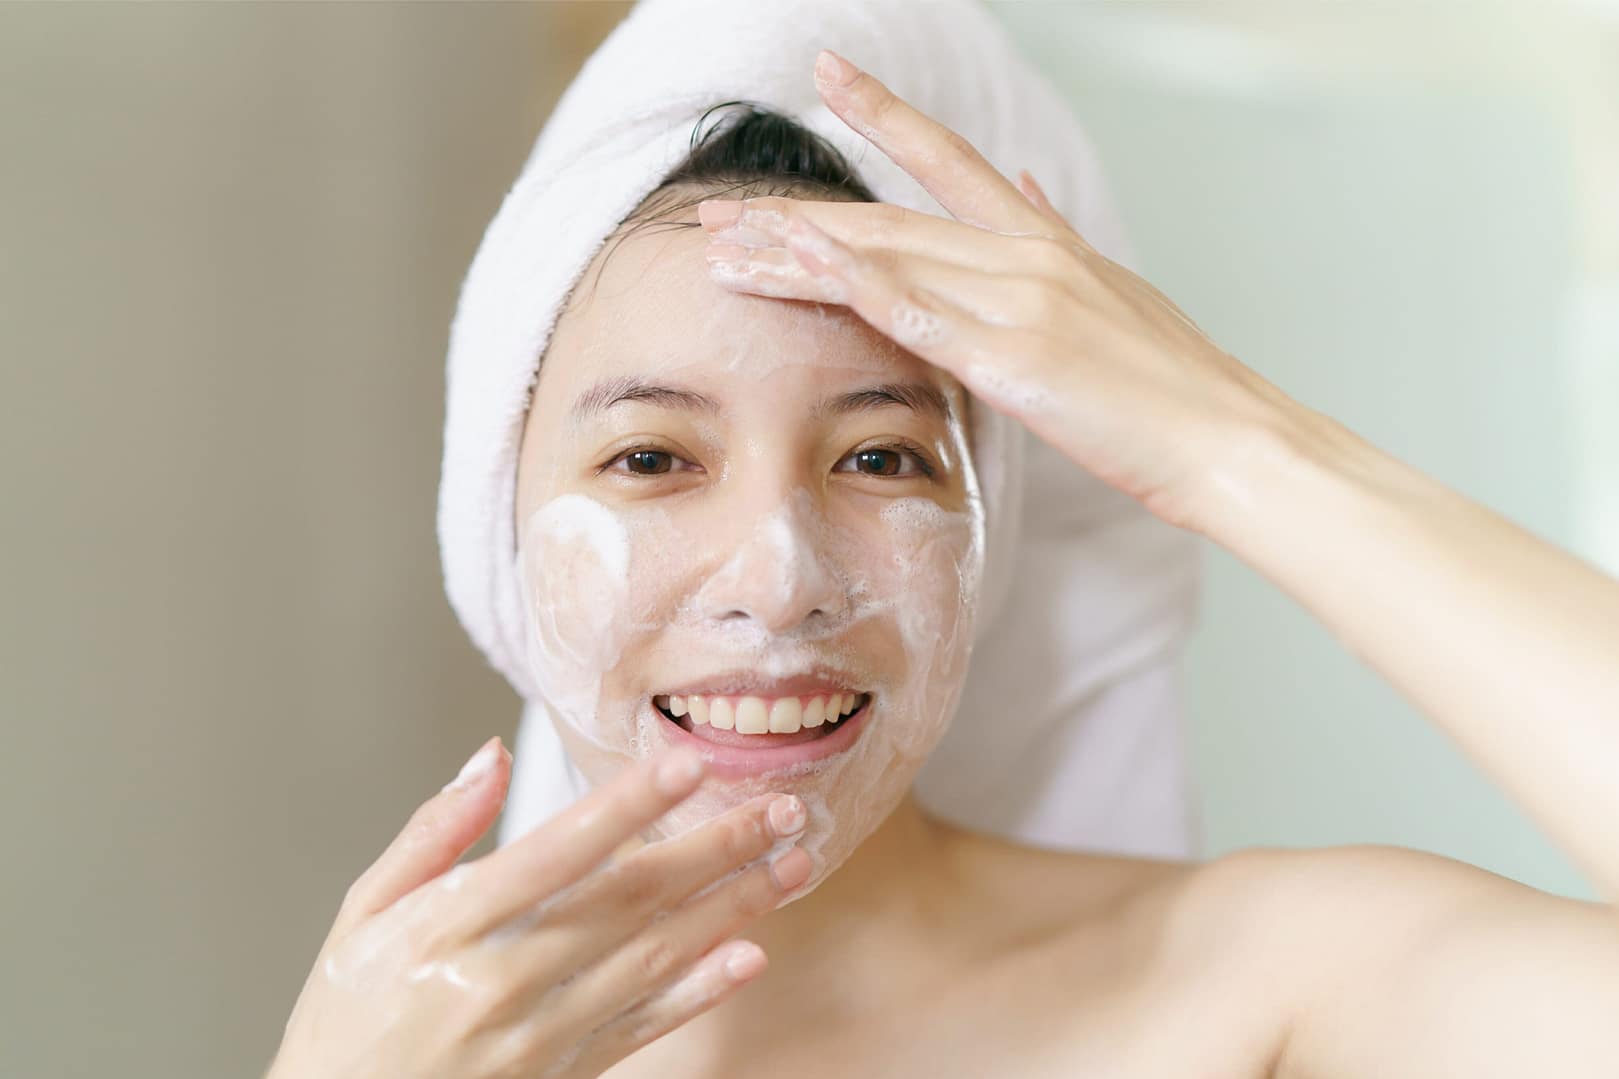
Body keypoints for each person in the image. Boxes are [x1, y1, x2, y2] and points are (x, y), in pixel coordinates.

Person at [266, 50, 1619, 1079]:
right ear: (495, 524)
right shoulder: (391, 1055)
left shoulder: (1254, 992)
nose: (781, 576)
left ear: (995, 529)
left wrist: (1231, 441)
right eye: (651, 460)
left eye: (879, 458)